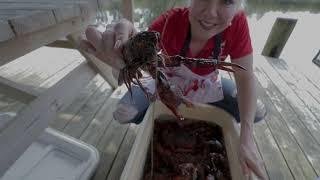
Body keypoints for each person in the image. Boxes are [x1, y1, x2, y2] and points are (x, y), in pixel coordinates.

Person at [80, 0, 267, 179]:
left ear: (238, 7)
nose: (211, 12)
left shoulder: (237, 23)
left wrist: (247, 137)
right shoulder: (170, 20)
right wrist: (122, 51)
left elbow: (245, 76)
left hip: (206, 82)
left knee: (255, 111)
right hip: (165, 79)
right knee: (124, 112)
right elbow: (137, 57)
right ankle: (149, 119)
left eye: (226, 0)